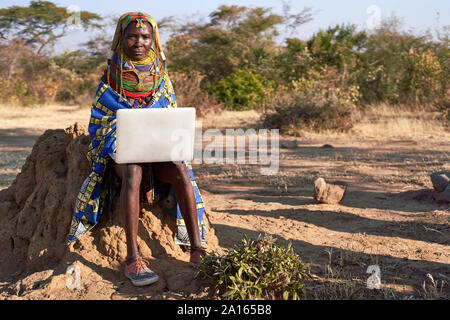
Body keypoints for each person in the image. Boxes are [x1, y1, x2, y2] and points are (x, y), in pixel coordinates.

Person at [67, 12, 208, 287]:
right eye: (132, 35)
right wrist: (123, 134)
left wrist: (165, 137)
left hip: (157, 145)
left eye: (145, 36)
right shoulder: (111, 76)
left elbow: (169, 115)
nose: (139, 42)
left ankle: (198, 249)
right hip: (121, 147)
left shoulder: (161, 76)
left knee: (180, 166)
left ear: (153, 38)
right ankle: (132, 257)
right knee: (133, 168)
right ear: (121, 38)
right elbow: (101, 122)